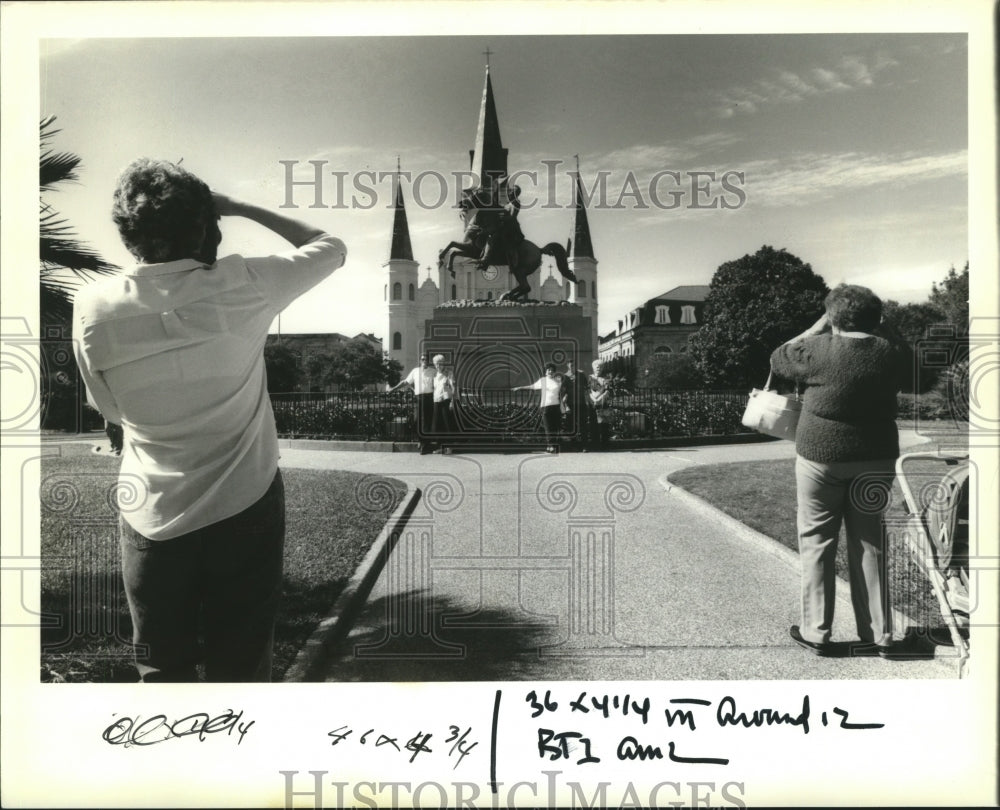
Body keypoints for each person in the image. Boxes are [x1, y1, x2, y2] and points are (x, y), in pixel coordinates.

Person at [72, 158, 346, 682]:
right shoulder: (247, 282)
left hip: (151, 509)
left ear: (128, 232)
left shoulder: (93, 307)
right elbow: (331, 245)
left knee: (159, 666)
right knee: (241, 665)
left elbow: (110, 411)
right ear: (205, 225)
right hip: (246, 500)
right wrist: (237, 205)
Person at [770, 284, 912, 659]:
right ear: (876, 318)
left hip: (820, 459)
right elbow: (917, 372)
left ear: (832, 318)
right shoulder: (891, 353)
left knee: (816, 542)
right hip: (876, 459)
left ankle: (817, 632)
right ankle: (880, 636)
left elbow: (777, 358)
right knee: (870, 544)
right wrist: (889, 328)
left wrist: (818, 327)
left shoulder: (816, 350)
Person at [513, 362, 567, 453]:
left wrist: (564, 403)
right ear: (545, 371)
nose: (550, 371)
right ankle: (550, 446)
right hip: (545, 406)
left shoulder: (558, 380)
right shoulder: (543, 380)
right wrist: (520, 387)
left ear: (554, 371)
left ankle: (553, 445)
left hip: (556, 406)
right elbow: (532, 387)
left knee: (555, 427)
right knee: (548, 427)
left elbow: (562, 392)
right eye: (548, 370)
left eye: (552, 370)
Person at [387, 354, 435, 454]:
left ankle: (424, 443)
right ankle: (421, 441)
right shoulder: (415, 371)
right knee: (416, 419)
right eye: (422, 359)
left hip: (430, 397)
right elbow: (406, 382)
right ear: (420, 361)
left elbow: (439, 383)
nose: (424, 360)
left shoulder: (433, 371)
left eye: (426, 359)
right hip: (419, 397)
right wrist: (393, 389)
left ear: (428, 361)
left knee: (428, 421)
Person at [561, 361, 595, 451]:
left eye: (574, 365)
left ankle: (584, 446)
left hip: (581, 403)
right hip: (570, 404)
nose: (572, 367)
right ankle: (574, 446)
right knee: (571, 426)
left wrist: (588, 400)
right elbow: (563, 392)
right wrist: (566, 406)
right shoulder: (565, 376)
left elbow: (586, 388)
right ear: (567, 366)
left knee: (583, 425)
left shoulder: (581, 374)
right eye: (570, 365)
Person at [431, 353, 457, 447]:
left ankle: (449, 446)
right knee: (438, 425)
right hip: (436, 401)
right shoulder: (434, 375)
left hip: (446, 401)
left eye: (440, 363)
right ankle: (440, 446)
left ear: (444, 363)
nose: (438, 365)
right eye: (436, 363)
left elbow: (453, 388)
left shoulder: (449, 373)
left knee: (447, 423)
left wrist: (452, 402)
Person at [589, 360, 611, 449]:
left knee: (604, 425)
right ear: (593, 368)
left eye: (600, 366)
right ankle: (595, 444)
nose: (598, 368)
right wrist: (594, 399)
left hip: (603, 404)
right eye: (596, 366)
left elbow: (607, 391)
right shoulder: (590, 378)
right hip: (593, 404)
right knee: (594, 424)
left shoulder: (606, 379)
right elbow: (587, 390)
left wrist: (599, 399)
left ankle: (605, 444)